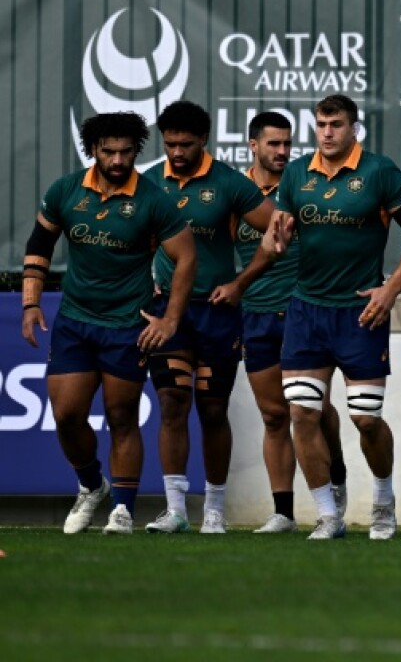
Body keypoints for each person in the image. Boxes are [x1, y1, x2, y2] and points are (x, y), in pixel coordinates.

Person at [263, 93, 401, 540]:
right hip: (306, 309)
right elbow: (277, 233)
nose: (326, 132)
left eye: (335, 124)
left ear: (353, 127)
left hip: (362, 311)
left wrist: (391, 288)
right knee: (302, 413)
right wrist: (275, 241)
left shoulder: (379, 172)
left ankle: (382, 498)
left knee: (365, 419)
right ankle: (327, 515)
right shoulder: (298, 172)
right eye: (320, 124)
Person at [20, 112, 196, 535]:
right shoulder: (65, 190)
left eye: (125, 151)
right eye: (108, 151)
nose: (118, 160)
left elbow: (187, 257)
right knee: (66, 415)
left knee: (121, 417)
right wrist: (30, 303)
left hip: (125, 325)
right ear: (92, 150)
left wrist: (170, 320)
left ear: (137, 150)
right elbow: (40, 243)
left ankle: (122, 509)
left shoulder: (153, 199)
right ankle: (89, 485)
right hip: (76, 321)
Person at [145, 101, 274, 535]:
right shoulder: (148, 183)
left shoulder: (229, 184)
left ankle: (214, 510)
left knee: (213, 409)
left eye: (185, 144)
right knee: (170, 403)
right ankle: (176, 510)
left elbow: (279, 233)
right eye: (169, 144)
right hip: (169, 314)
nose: (177, 152)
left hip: (218, 313)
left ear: (204, 140)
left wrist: (241, 283)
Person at [231, 111, 348, 534]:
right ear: (253, 145)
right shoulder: (236, 193)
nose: (282, 152)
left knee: (312, 410)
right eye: (273, 144)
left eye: (287, 144)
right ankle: (283, 512)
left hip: (307, 312)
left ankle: (336, 481)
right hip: (258, 317)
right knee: (274, 416)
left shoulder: (306, 185)